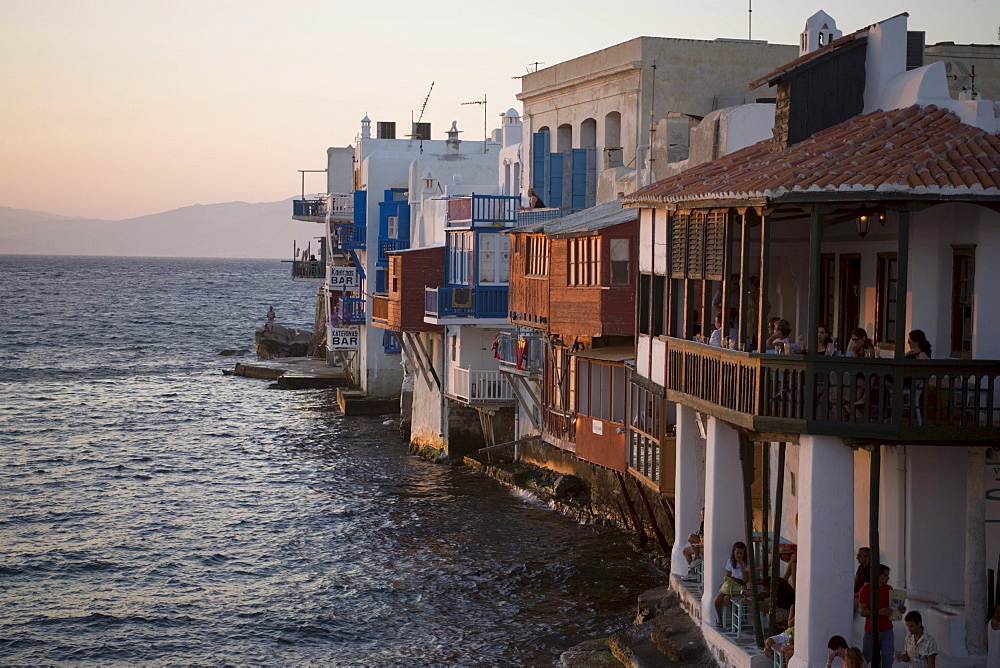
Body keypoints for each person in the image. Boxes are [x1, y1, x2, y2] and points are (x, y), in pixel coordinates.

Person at [860, 564, 905, 668]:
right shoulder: (865, 589)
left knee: (888, 658)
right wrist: (880, 612)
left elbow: (894, 609)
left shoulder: (889, 589)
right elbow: (862, 611)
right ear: (877, 575)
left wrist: (901, 609)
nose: (888, 577)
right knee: (866, 658)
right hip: (871, 630)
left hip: (887, 629)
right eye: (885, 575)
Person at [714, 541, 749, 627]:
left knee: (726, 599)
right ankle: (719, 617)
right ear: (734, 552)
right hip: (731, 585)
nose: (739, 555)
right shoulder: (730, 561)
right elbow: (728, 575)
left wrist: (741, 565)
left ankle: (736, 618)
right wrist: (732, 579)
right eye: (737, 553)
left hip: (740, 586)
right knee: (717, 600)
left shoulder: (746, 563)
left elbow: (746, 579)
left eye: (741, 553)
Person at [682, 507, 704, 572]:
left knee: (691, 537)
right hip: (701, 543)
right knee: (685, 551)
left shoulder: (711, 523)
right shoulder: (702, 523)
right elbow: (701, 534)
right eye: (702, 515)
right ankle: (692, 573)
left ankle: (697, 558)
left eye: (704, 515)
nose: (703, 517)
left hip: (706, 545)